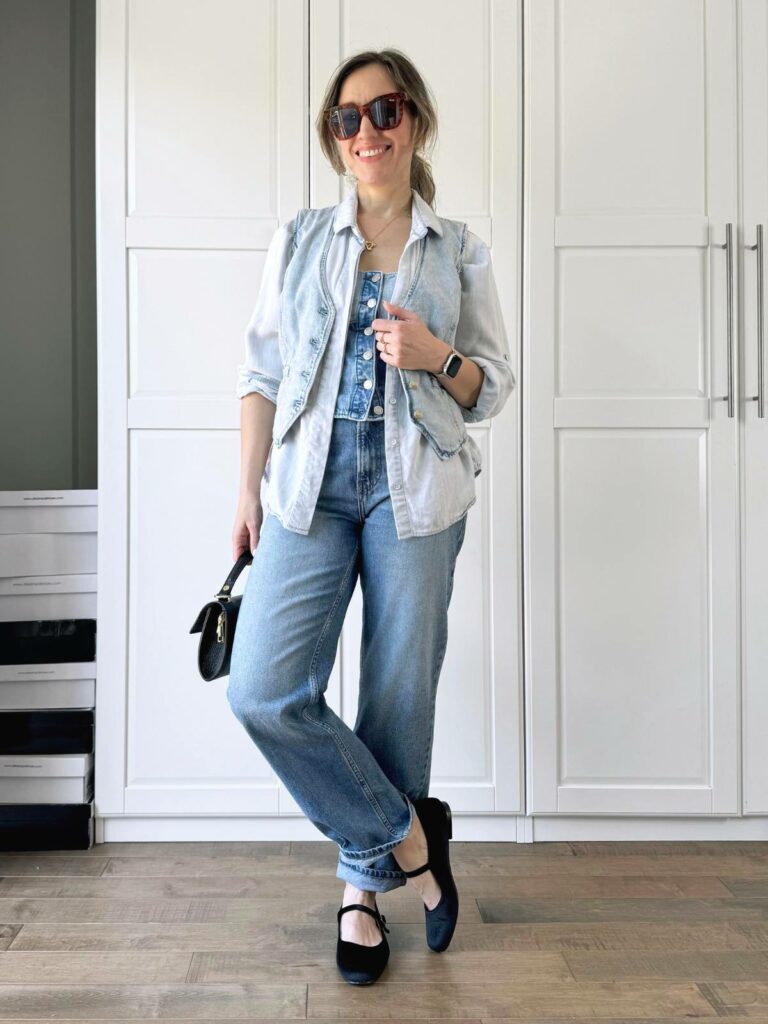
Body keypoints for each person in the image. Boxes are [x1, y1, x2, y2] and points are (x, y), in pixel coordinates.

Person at [226, 48, 515, 985]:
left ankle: (360, 895)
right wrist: (244, 496)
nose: (367, 131)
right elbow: (262, 374)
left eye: (384, 110)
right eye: (347, 118)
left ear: (415, 121)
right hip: (309, 483)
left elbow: (492, 388)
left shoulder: (458, 247)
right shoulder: (302, 237)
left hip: (414, 485)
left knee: (397, 693)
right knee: (263, 689)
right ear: (333, 138)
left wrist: (435, 353)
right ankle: (409, 843)